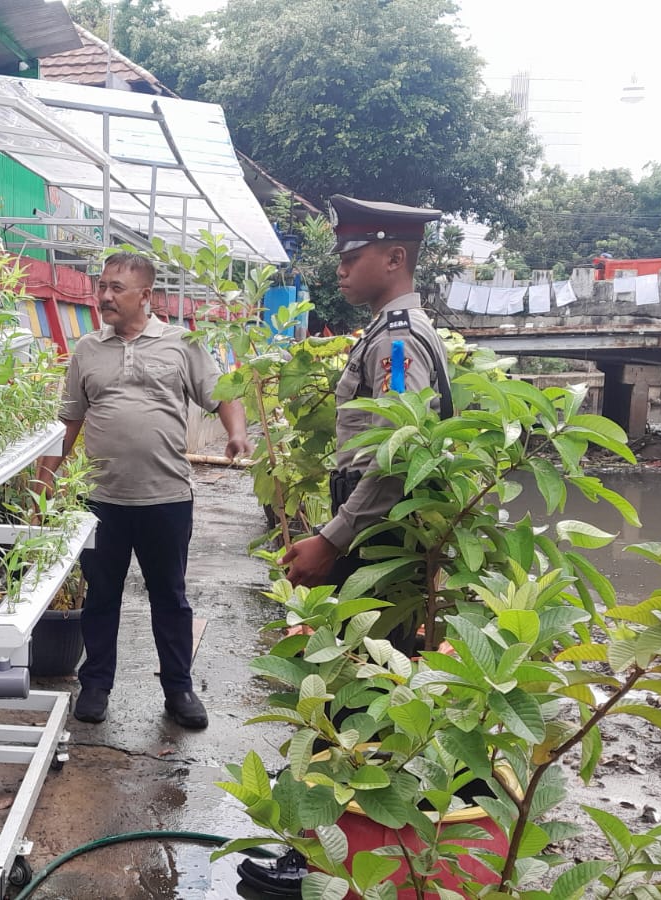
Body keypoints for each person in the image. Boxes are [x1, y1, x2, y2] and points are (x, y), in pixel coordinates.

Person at [238, 195, 454, 897]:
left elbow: (393, 462)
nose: (340, 269)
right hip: (370, 534)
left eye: (352, 257)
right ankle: (336, 852)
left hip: (375, 543)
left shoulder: (399, 342)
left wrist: (331, 542)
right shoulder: (387, 334)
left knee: (357, 697)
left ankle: (327, 861)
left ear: (395, 258)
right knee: (360, 693)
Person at [37, 251, 252, 730]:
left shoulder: (180, 344)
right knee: (101, 596)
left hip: (166, 497)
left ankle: (179, 690)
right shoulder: (87, 350)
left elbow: (222, 394)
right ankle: (95, 686)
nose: (105, 296)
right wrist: (44, 480)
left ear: (146, 295)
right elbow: (69, 421)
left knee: (170, 598)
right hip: (101, 500)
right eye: (102, 286)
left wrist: (237, 433)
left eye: (117, 288)